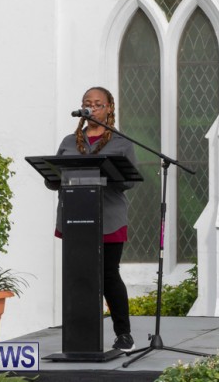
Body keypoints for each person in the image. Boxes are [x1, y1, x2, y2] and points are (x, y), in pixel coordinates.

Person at [47, 86, 138, 352]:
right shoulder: (68, 142)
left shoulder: (121, 142)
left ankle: (124, 334)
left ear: (109, 108)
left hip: (109, 218)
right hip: (75, 219)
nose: (92, 107)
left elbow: (130, 182)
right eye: (88, 103)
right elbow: (54, 180)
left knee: (109, 275)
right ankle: (80, 337)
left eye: (98, 104)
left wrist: (107, 173)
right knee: (79, 276)